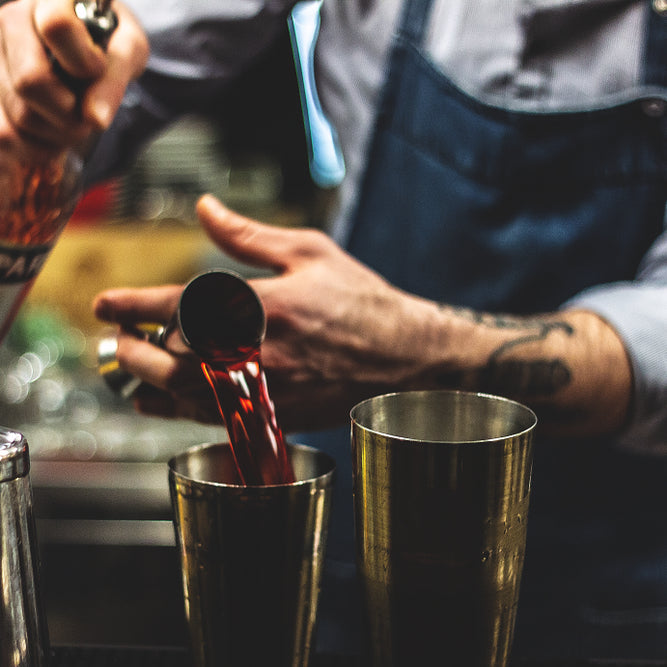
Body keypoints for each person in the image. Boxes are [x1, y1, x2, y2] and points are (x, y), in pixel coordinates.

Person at [1, 0, 665, 659]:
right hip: (356, 539)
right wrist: (45, 75)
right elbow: (125, 56)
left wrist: (418, 352)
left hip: (618, 580)